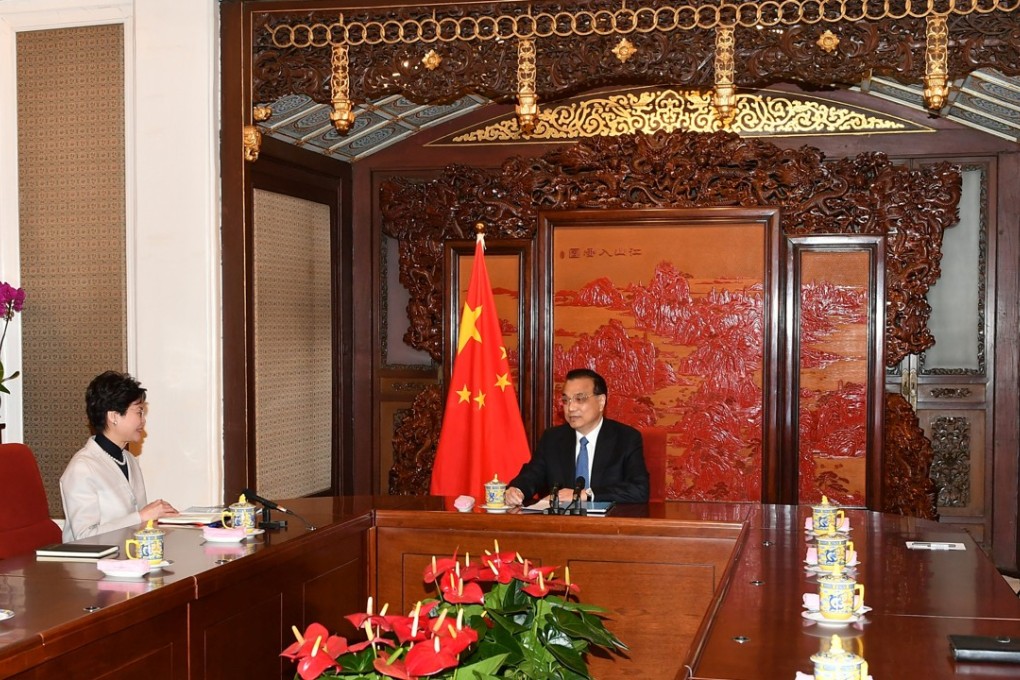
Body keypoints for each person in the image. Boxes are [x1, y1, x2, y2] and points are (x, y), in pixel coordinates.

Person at [59, 371, 178, 541]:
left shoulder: (129, 460)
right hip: (92, 566)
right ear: (114, 416)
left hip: (128, 558)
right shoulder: (82, 468)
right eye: (139, 412)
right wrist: (141, 517)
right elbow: (84, 536)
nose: (143, 420)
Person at [506, 368, 649, 506]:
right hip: (561, 526)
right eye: (566, 400)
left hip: (609, 526)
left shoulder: (626, 438)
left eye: (579, 399)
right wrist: (517, 490)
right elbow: (532, 475)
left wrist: (586, 494)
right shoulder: (552, 439)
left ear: (601, 402)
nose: (571, 408)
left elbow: (639, 490)